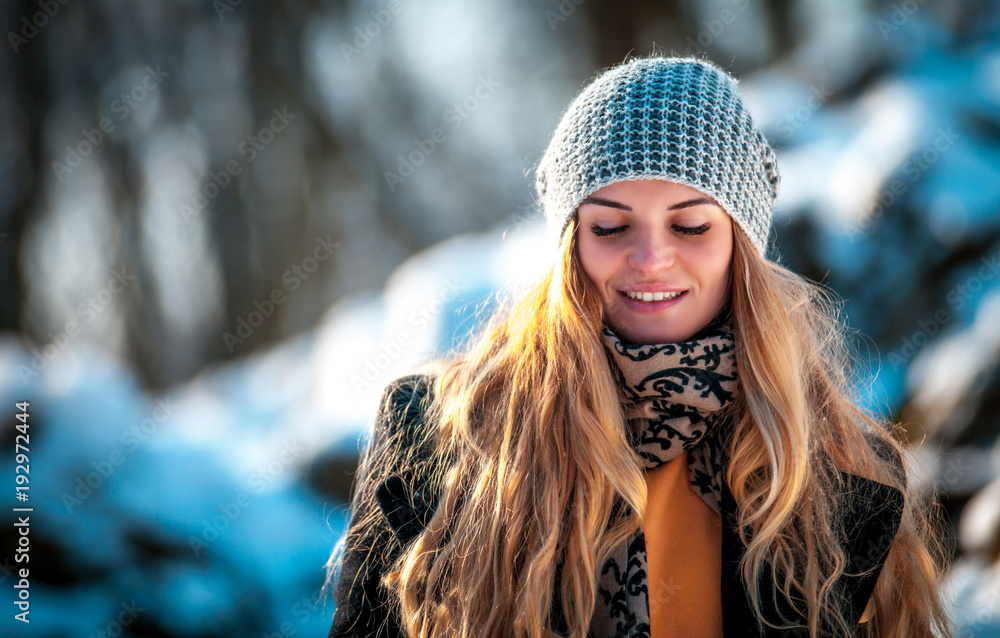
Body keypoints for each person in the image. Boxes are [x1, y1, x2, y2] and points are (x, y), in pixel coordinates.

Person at [323, 55, 954, 638]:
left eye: (690, 224)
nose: (651, 259)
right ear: (568, 245)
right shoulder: (439, 437)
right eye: (610, 226)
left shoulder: (842, 469)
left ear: (742, 243)